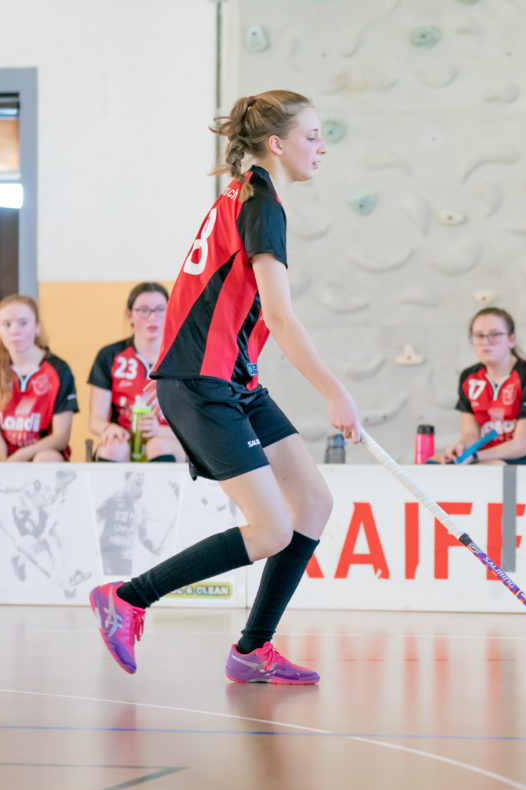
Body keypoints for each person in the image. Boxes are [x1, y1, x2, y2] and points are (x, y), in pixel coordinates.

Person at [88, 90, 361, 685]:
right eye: (312, 135)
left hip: (236, 380)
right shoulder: (262, 205)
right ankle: (129, 598)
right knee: (270, 529)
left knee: (312, 502)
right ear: (277, 143)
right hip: (199, 381)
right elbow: (281, 316)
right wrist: (335, 392)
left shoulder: (244, 196)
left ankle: (252, 648)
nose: (321, 147)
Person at [0, 295, 77, 463]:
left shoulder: (59, 370)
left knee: (46, 459)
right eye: (6, 324)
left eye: (23, 323)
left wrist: (20, 457)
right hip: (2, 455)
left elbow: (61, 437)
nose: (14, 330)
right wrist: (5, 464)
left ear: (37, 328)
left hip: (40, 453)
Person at [436, 307, 526, 465]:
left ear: (511, 340)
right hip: (488, 456)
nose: (486, 341)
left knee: (485, 469)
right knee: (434, 463)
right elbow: (470, 434)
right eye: (479, 335)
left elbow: (521, 446)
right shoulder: (468, 378)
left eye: (494, 334)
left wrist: (474, 457)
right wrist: (460, 450)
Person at [87, 282, 185, 462]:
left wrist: (159, 430)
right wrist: (109, 429)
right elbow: (95, 421)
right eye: (143, 310)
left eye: (160, 309)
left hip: (169, 440)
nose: (152, 317)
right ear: (129, 315)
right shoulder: (110, 355)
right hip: (125, 439)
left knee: (157, 445)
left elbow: (196, 424)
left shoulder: (185, 358)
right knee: (113, 447)